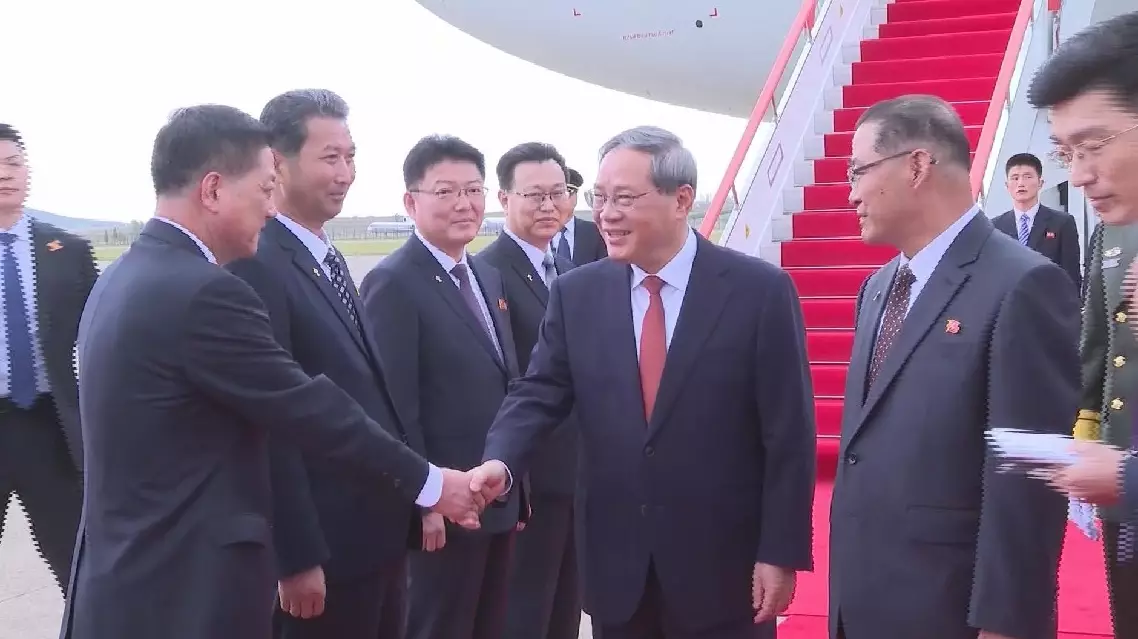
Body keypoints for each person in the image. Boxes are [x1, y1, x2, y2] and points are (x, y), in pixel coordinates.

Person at [61, 105, 481, 639]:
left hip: (132, 578)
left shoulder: (126, 275)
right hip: (183, 587)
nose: (270, 206)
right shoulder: (204, 293)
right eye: (264, 189)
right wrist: (431, 482)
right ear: (213, 189)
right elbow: (305, 408)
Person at [470, 125, 816, 639]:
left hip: (724, 568)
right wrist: (501, 460)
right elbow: (539, 392)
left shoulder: (758, 292)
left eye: (625, 198)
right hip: (618, 567)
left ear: (682, 200)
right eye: (599, 198)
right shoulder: (578, 294)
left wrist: (780, 551)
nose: (606, 214)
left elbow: (788, 433)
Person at [827, 95, 1079, 639]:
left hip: (948, 610)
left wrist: (1007, 624)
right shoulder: (877, 289)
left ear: (917, 165)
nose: (851, 193)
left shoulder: (1024, 284)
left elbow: (1029, 484)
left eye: (859, 171)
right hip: (862, 603)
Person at [225, 89, 423, 638]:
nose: (345, 174)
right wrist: (294, 555)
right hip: (325, 550)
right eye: (330, 158)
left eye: (351, 157)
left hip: (373, 534)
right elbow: (270, 419)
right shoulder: (258, 262)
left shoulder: (324, 255)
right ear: (277, 163)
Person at [358, 135, 526, 639]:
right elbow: (393, 406)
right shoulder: (393, 282)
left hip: (493, 496)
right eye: (446, 191)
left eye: (473, 190)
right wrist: (422, 501)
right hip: (442, 507)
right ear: (411, 202)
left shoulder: (486, 275)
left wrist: (517, 485)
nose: (463, 204)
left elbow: (506, 384)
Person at [1026, 11, 1138, 638]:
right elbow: (1102, 344)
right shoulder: (1115, 233)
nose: (1078, 174)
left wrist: (1127, 477)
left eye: (1093, 147)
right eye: (1065, 153)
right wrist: (1091, 432)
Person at [476, 142, 581, 639]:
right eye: (534, 195)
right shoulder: (488, 273)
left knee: (565, 610)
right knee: (524, 613)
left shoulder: (568, 270)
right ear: (504, 198)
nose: (549, 206)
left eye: (558, 193)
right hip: (530, 478)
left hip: (578, 473)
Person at [0, 123, 95, 591]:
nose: (5, 174)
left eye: (13, 163)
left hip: (50, 425)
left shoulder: (67, 250)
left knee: (78, 565)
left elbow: (100, 336)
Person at [992, 152, 1081, 289]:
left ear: (1040, 183)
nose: (1021, 183)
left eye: (1027, 177)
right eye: (1015, 178)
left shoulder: (1062, 222)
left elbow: (1071, 274)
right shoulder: (995, 227)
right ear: (1007, 185)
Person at [552, 168, 606, 265]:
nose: (563, 199)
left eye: (568, 192)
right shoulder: (536, 232)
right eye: (557, 193)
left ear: (576, 195)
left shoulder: (596, 232)